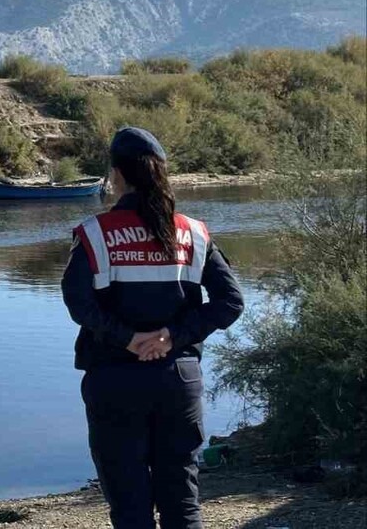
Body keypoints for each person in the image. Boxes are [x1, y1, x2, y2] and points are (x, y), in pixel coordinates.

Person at [62, 126, 244, 529]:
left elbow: (78, 303)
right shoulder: (194, 233)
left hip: (114, 381)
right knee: (182, 503)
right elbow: (231, 303)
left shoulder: (94, 234)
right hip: (178, 380)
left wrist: (128, 339)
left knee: (130, 507)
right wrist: (172, 336)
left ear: (116, 175)